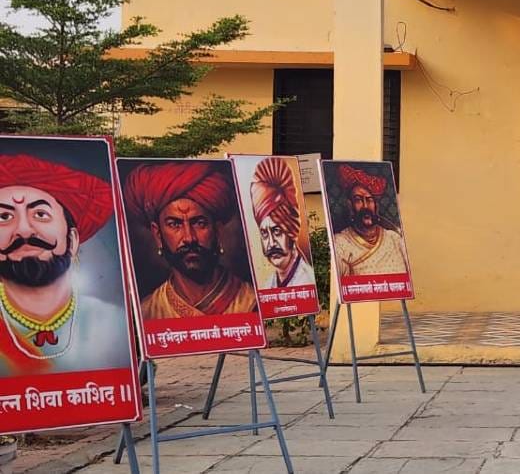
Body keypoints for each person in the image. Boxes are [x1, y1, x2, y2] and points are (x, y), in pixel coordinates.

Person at [0, 153, 129, 374]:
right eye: (4, 217)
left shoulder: (115, 322)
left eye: (40, 214)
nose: (24, 230)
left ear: (72, 239)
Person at [122, 161, 257, 319]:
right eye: (174, 224)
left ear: (218, 231)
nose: (189, 238)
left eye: (199, 223)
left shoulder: (253, 303)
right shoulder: (147, 313)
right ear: (158, 234)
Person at [331, 165, 410, 277]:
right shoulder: (340, 243)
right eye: (358, 200)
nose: (365, 206)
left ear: (376, 206)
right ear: (350, 205)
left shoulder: (394, 239)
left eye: (370, 200)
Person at [250, 158, 315, 289]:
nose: (271, 243)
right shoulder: (268, 285)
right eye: (264, 233)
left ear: (291, 230)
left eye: (277, 231)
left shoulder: (307, 282)